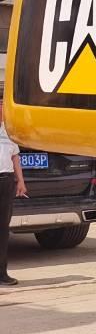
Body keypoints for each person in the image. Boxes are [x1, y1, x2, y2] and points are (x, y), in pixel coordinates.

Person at [0, 100, 29, 286]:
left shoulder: (8, 132)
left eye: (2, 107)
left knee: (3, 228)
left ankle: (2, 273)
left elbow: (15, 157)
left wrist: (21, 181)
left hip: (6, 180)